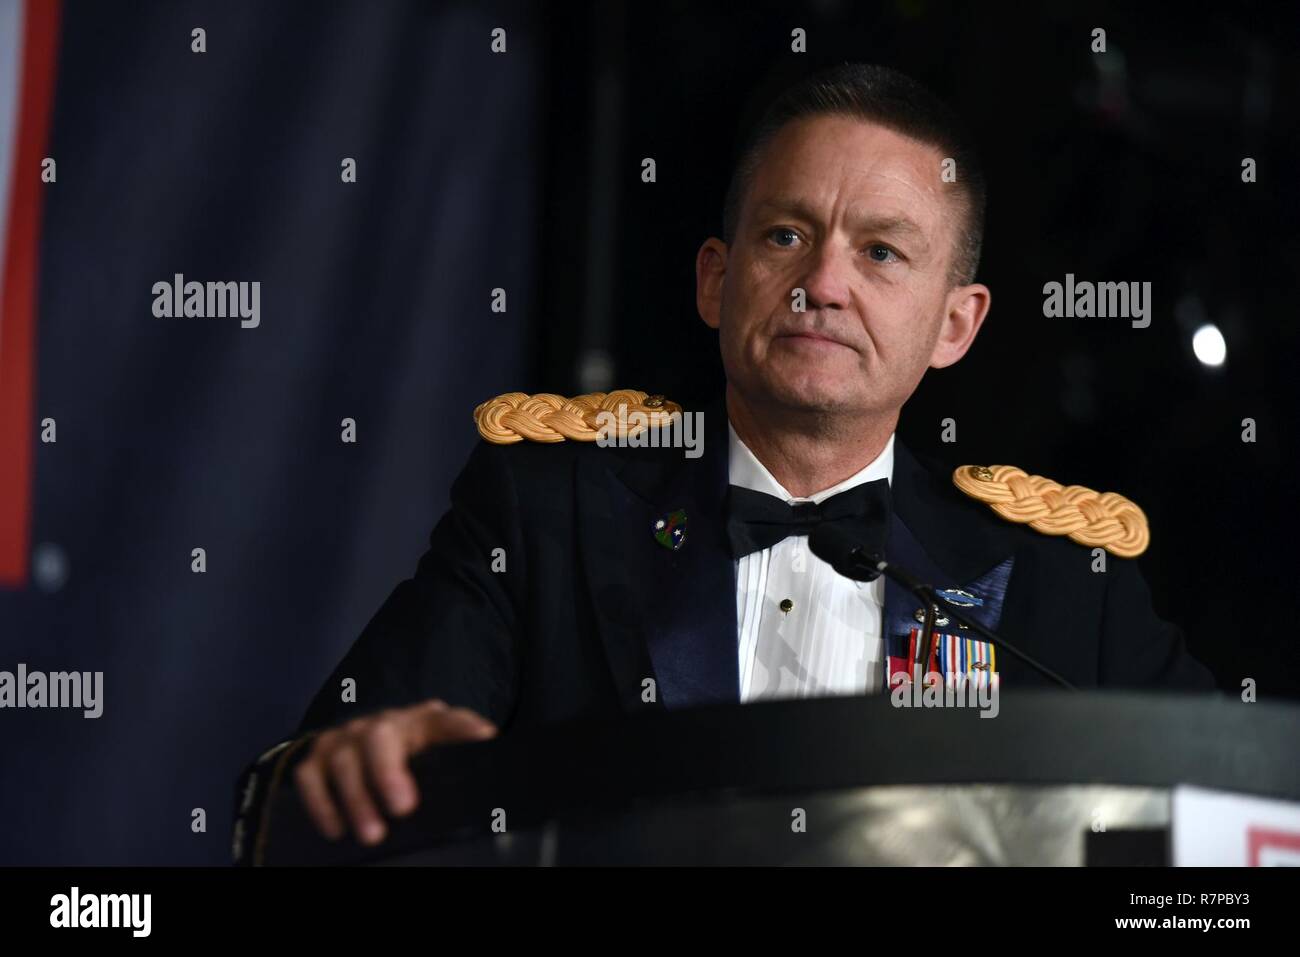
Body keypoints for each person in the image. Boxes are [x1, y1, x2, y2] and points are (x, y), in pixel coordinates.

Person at [278, 63, 1214, 850]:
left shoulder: (1063, 580)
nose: (824, 284)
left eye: (883, 252)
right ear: (716, 282)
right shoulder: (544, 516)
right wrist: (384, 768)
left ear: (956, 325)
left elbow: (1226, 834)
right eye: (786, 235)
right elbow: (306, 802)